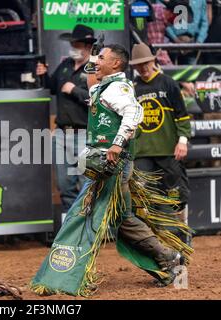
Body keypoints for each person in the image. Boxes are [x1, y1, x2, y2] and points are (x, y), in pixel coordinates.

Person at [31, 44, 192, 297]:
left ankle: (69, 276)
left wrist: (117, 144)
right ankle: (170, 257)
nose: (96, 61)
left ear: (116, 64)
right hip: (107, 165)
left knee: (85, 216)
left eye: (102, 57)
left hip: (113, 166)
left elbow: (134, 112)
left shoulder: (118, 88)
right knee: (123, 219)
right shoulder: (105, 85)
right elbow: (91, 75)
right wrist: (95, 57)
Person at [130, 42, 191, 244]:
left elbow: (182, 116)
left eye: (146, 63)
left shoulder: (168, 83)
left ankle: (183, 234)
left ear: (153, 60)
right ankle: (158, 240)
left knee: (176, 196)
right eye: (139, 65)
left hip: (168, 151)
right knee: (146, 197)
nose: (143, 68)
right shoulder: (133, 88)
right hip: (142, 153)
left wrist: (182, 141)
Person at [36, 24, 94, 212]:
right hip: (61, 134)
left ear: (88, 46)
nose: (73, 48)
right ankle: (73, 228)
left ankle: (89, 230)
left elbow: (99, 100)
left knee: (87, 184)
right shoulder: (66, 65)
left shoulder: (95, 69)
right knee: (64, 185)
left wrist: (75, 90)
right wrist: (44, 75)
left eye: (77, 44)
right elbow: (53, 87)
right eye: (73, 44)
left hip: (85, 134)